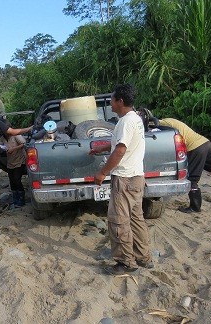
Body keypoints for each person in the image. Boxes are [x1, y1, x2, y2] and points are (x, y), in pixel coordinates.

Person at [89, 84, 152, 275]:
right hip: (136, 177)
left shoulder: (125, 122)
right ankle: (144, 257)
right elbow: (121, 143)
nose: (110, 103)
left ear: (120, 101)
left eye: (112, 99)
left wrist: (102, 172)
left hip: (124, 178)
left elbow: (121, 149)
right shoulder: (135, 119)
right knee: (136, 218)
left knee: (118, 221)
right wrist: (101, 148)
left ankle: (126, 263)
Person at [154, 116, 211, 213]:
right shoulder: (170, 121)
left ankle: (195, 207)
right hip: (206, 143)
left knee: (192, 179)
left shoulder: (163, 124)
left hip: (196, 148)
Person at [3, 120, 27, 207]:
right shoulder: (3, 138)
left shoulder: (16, 135)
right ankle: (15, 199)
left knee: (17, 179)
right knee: (12, 181)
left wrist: (14, 149)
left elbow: (24, 144)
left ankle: (21, 200)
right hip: (10, 161)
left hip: (19, 161)